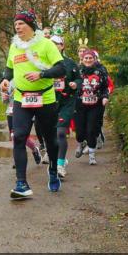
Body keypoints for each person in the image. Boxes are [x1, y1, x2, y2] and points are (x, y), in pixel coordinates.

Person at [0, 10, 66, 199]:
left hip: (45, 98)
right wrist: (5, 79)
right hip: (21, 98)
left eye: (21, 24)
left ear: (31, 25)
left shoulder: (45, 44)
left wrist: (42, 74)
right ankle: (21, 183)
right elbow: (9, 68)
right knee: (19, 136)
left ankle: (53, 170)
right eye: (16, 25)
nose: (17, 27)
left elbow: (61, 68)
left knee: (50, 140)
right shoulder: (15, 46)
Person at [50, 35, 80, 179]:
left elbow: (79, 78)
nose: (54, 46)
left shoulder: (70, 63)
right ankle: (56, 158)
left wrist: (76, 84)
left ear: (62, 46)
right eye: (51, 44)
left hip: (66, 102)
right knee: (50, 134)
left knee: (61, 132)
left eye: (57, 44)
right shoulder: (44, 62)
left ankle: (60, 165)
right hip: (48, 102)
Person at [74, 49, 111, 165]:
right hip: (80, 104)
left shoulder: (101, 70)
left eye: (90, 58)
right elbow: (71, 84)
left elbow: (106, 86)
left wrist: (105, 97)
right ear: (82, 59)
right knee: (80, 130)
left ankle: (92, 155)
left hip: (96, 104)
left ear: (94, 59)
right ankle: (80, 143)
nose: (88, 60)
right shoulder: (78, 70)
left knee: (91, 129)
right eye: (86, 58)